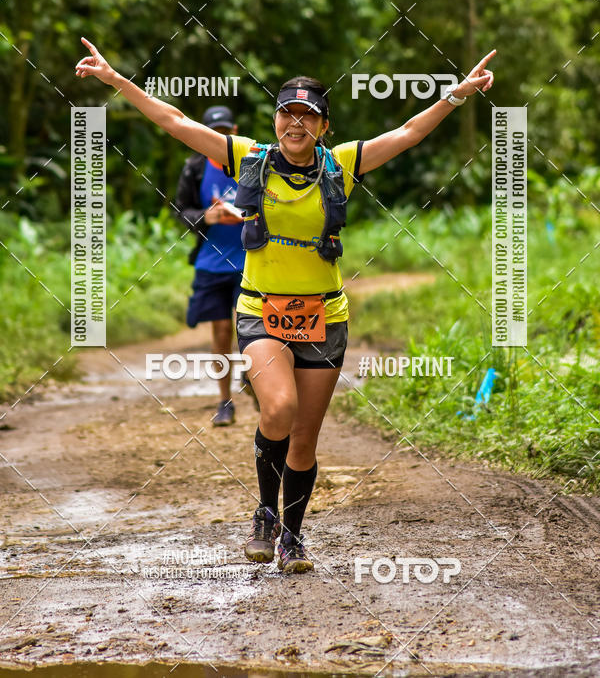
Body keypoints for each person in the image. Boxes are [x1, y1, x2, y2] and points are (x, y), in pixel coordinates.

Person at [75, 37, 495, 574]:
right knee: (278, 409)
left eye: (307, 115)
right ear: (275, 120)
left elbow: (408, 132)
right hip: (261, 310)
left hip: (325, 315)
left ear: (324, 126)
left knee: (304, 441)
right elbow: (175, 121)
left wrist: (456, 95)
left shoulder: (343, 164)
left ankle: (292, 537)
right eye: (286, 113)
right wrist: (116, 80)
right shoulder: (248, 157)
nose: (295, 123)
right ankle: (264, 513)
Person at [174, 105, 246, 427]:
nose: (220, 138)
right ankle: (224, 400)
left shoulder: (250, 164)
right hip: (211, 263)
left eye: (225, 132)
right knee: (221, 330)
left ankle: (254, 379)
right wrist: (206, 216)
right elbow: (181, 210)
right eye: (213, 133)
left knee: (249, 329)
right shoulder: (194, 168)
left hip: (250, 262)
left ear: (234, 132)